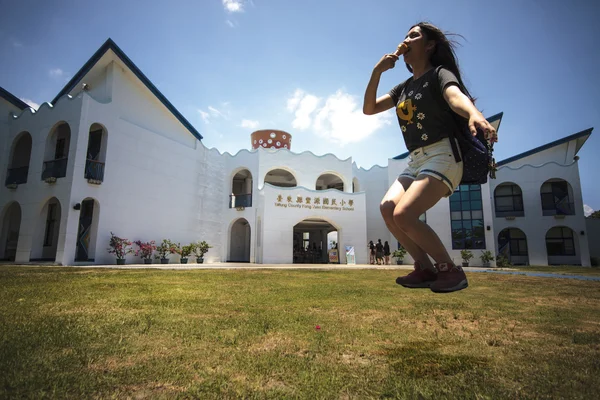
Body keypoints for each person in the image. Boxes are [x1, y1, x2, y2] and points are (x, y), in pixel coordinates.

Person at [363, 22, 497, 293]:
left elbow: (454, 95)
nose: (406, 39)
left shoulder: (439, 73)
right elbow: (369, 109)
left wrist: (473, 113)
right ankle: (424, 268)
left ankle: (451, 270)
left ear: (430, 45)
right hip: (416, 159)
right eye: (405, 35)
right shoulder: (403, 88)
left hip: (443, 153)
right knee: (388, 209)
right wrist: (377, 72)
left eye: (414, 35)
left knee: (405, 214)